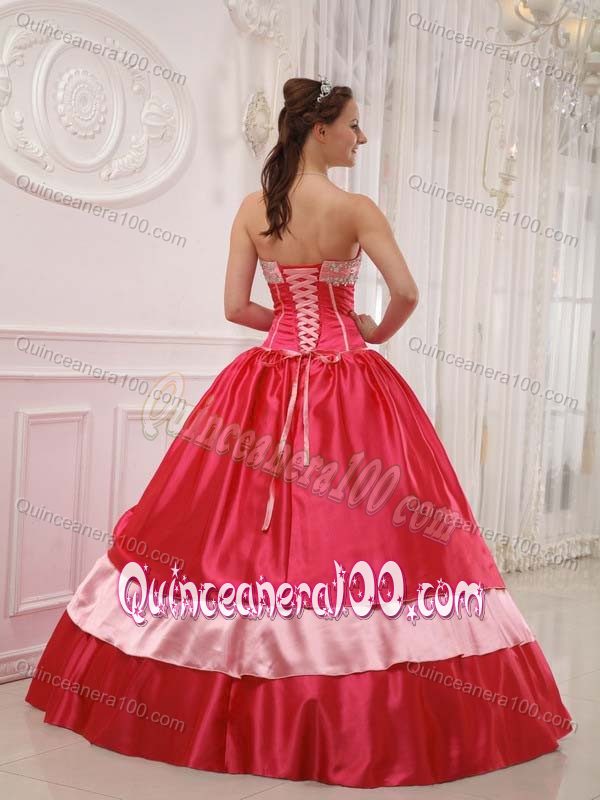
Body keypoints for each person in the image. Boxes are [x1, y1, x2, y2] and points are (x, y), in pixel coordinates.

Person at [25, 76, 573, 789]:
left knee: (232, 539)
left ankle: (233, 682)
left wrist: (283, 325)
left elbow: (234, 307)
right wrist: (370, 330)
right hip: (351, 383)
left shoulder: (255, 209)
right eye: (353, 125)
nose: (361, 137)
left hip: (267, 380)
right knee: (367, 532)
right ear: (320, 130)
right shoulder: (354, 209)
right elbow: (406, 292)